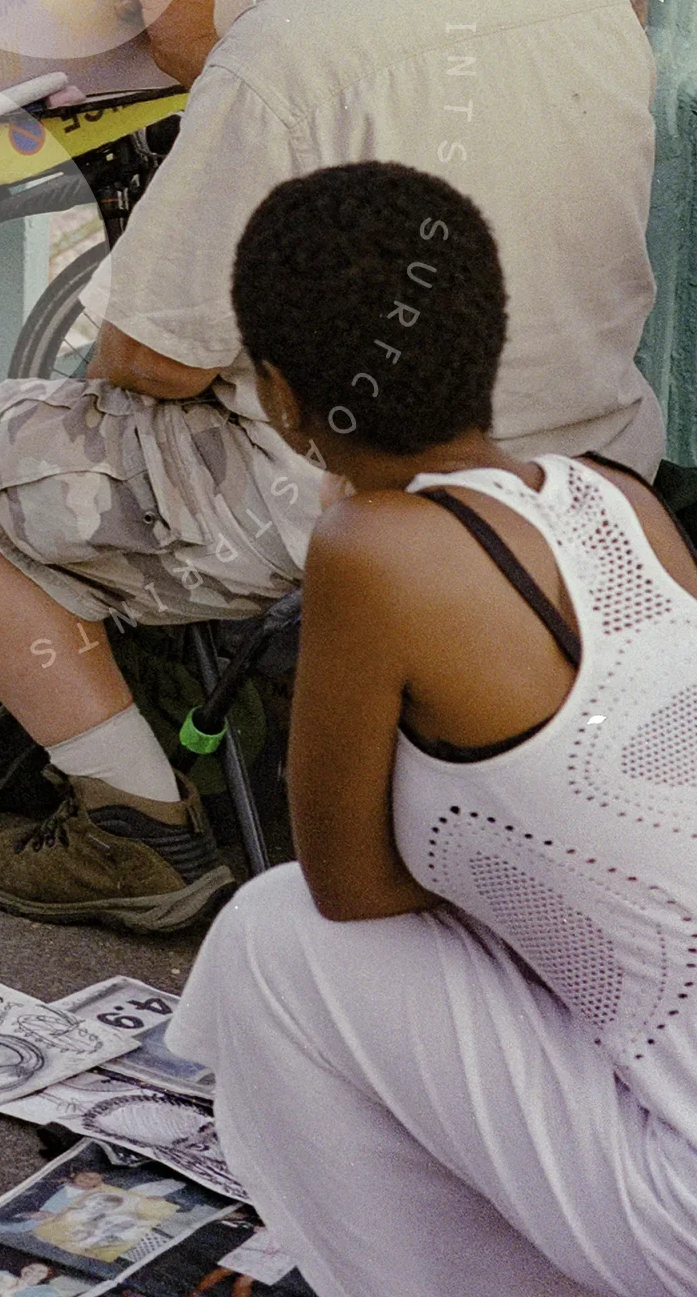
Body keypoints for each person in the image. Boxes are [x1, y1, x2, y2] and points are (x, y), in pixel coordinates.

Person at [0, 0, 663, 932]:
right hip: (585, 472)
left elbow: (146, 361)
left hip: (354, 497)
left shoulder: (292, 52)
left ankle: (132, 819)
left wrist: (228, 77)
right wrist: (234, 56)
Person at [168, 162, 697, 1297]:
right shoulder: (619, 500)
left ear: (276, 393)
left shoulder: (371, 550)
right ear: (485, 345)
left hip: (684, 1213)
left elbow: (343, 885)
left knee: (271, 940)